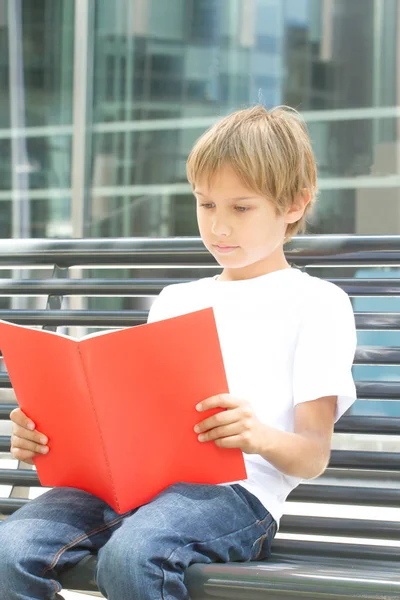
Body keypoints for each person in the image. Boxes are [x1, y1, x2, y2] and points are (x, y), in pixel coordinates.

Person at [0, 105, 357, 600]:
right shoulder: (176, 300)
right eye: (206, 205)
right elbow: (136, 421)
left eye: (241, 208)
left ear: (294, 204)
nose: (219, 228)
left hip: (234, 496)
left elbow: (313, 455)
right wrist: (50, 433)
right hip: (132, 488)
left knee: (134, 556)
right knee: (7, 550)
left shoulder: (318, 302)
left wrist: (255, 435)